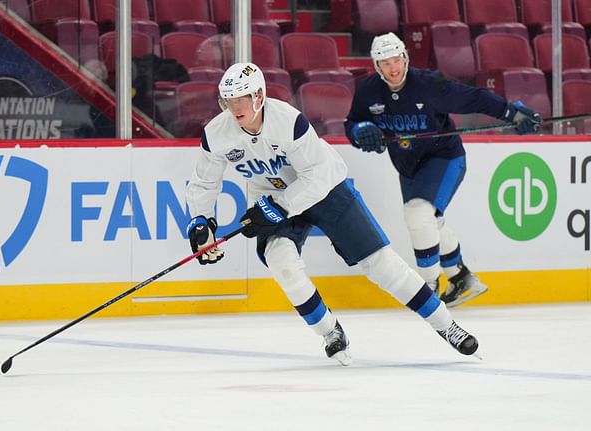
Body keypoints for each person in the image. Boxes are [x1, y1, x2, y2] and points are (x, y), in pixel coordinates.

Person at [185, 62, 481, 366]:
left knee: (381, 264)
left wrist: (279, 207)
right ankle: (330, 332)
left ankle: (447, 326)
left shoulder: (289, 122)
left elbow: (316, 176)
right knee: (281, 261)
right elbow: (204, 182)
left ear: (259, 96)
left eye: (241, 99)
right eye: (228, 101)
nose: (235, 108)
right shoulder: (217, 133)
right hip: (272, 197)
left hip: (324, 188)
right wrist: (201, 222)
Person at [344, 32, 543, 308]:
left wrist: (512, 113)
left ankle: (427, 287)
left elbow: (473, 98)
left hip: (445, 157)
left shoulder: (429, 84)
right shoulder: (368, 92)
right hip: (408, 166)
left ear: (406, 57)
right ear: (377, 66)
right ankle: (461, 278)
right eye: (386, 62)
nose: (394, 67)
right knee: (429, 220)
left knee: (417, 214)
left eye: (397, 59)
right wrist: (360, 131)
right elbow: (353, 123)